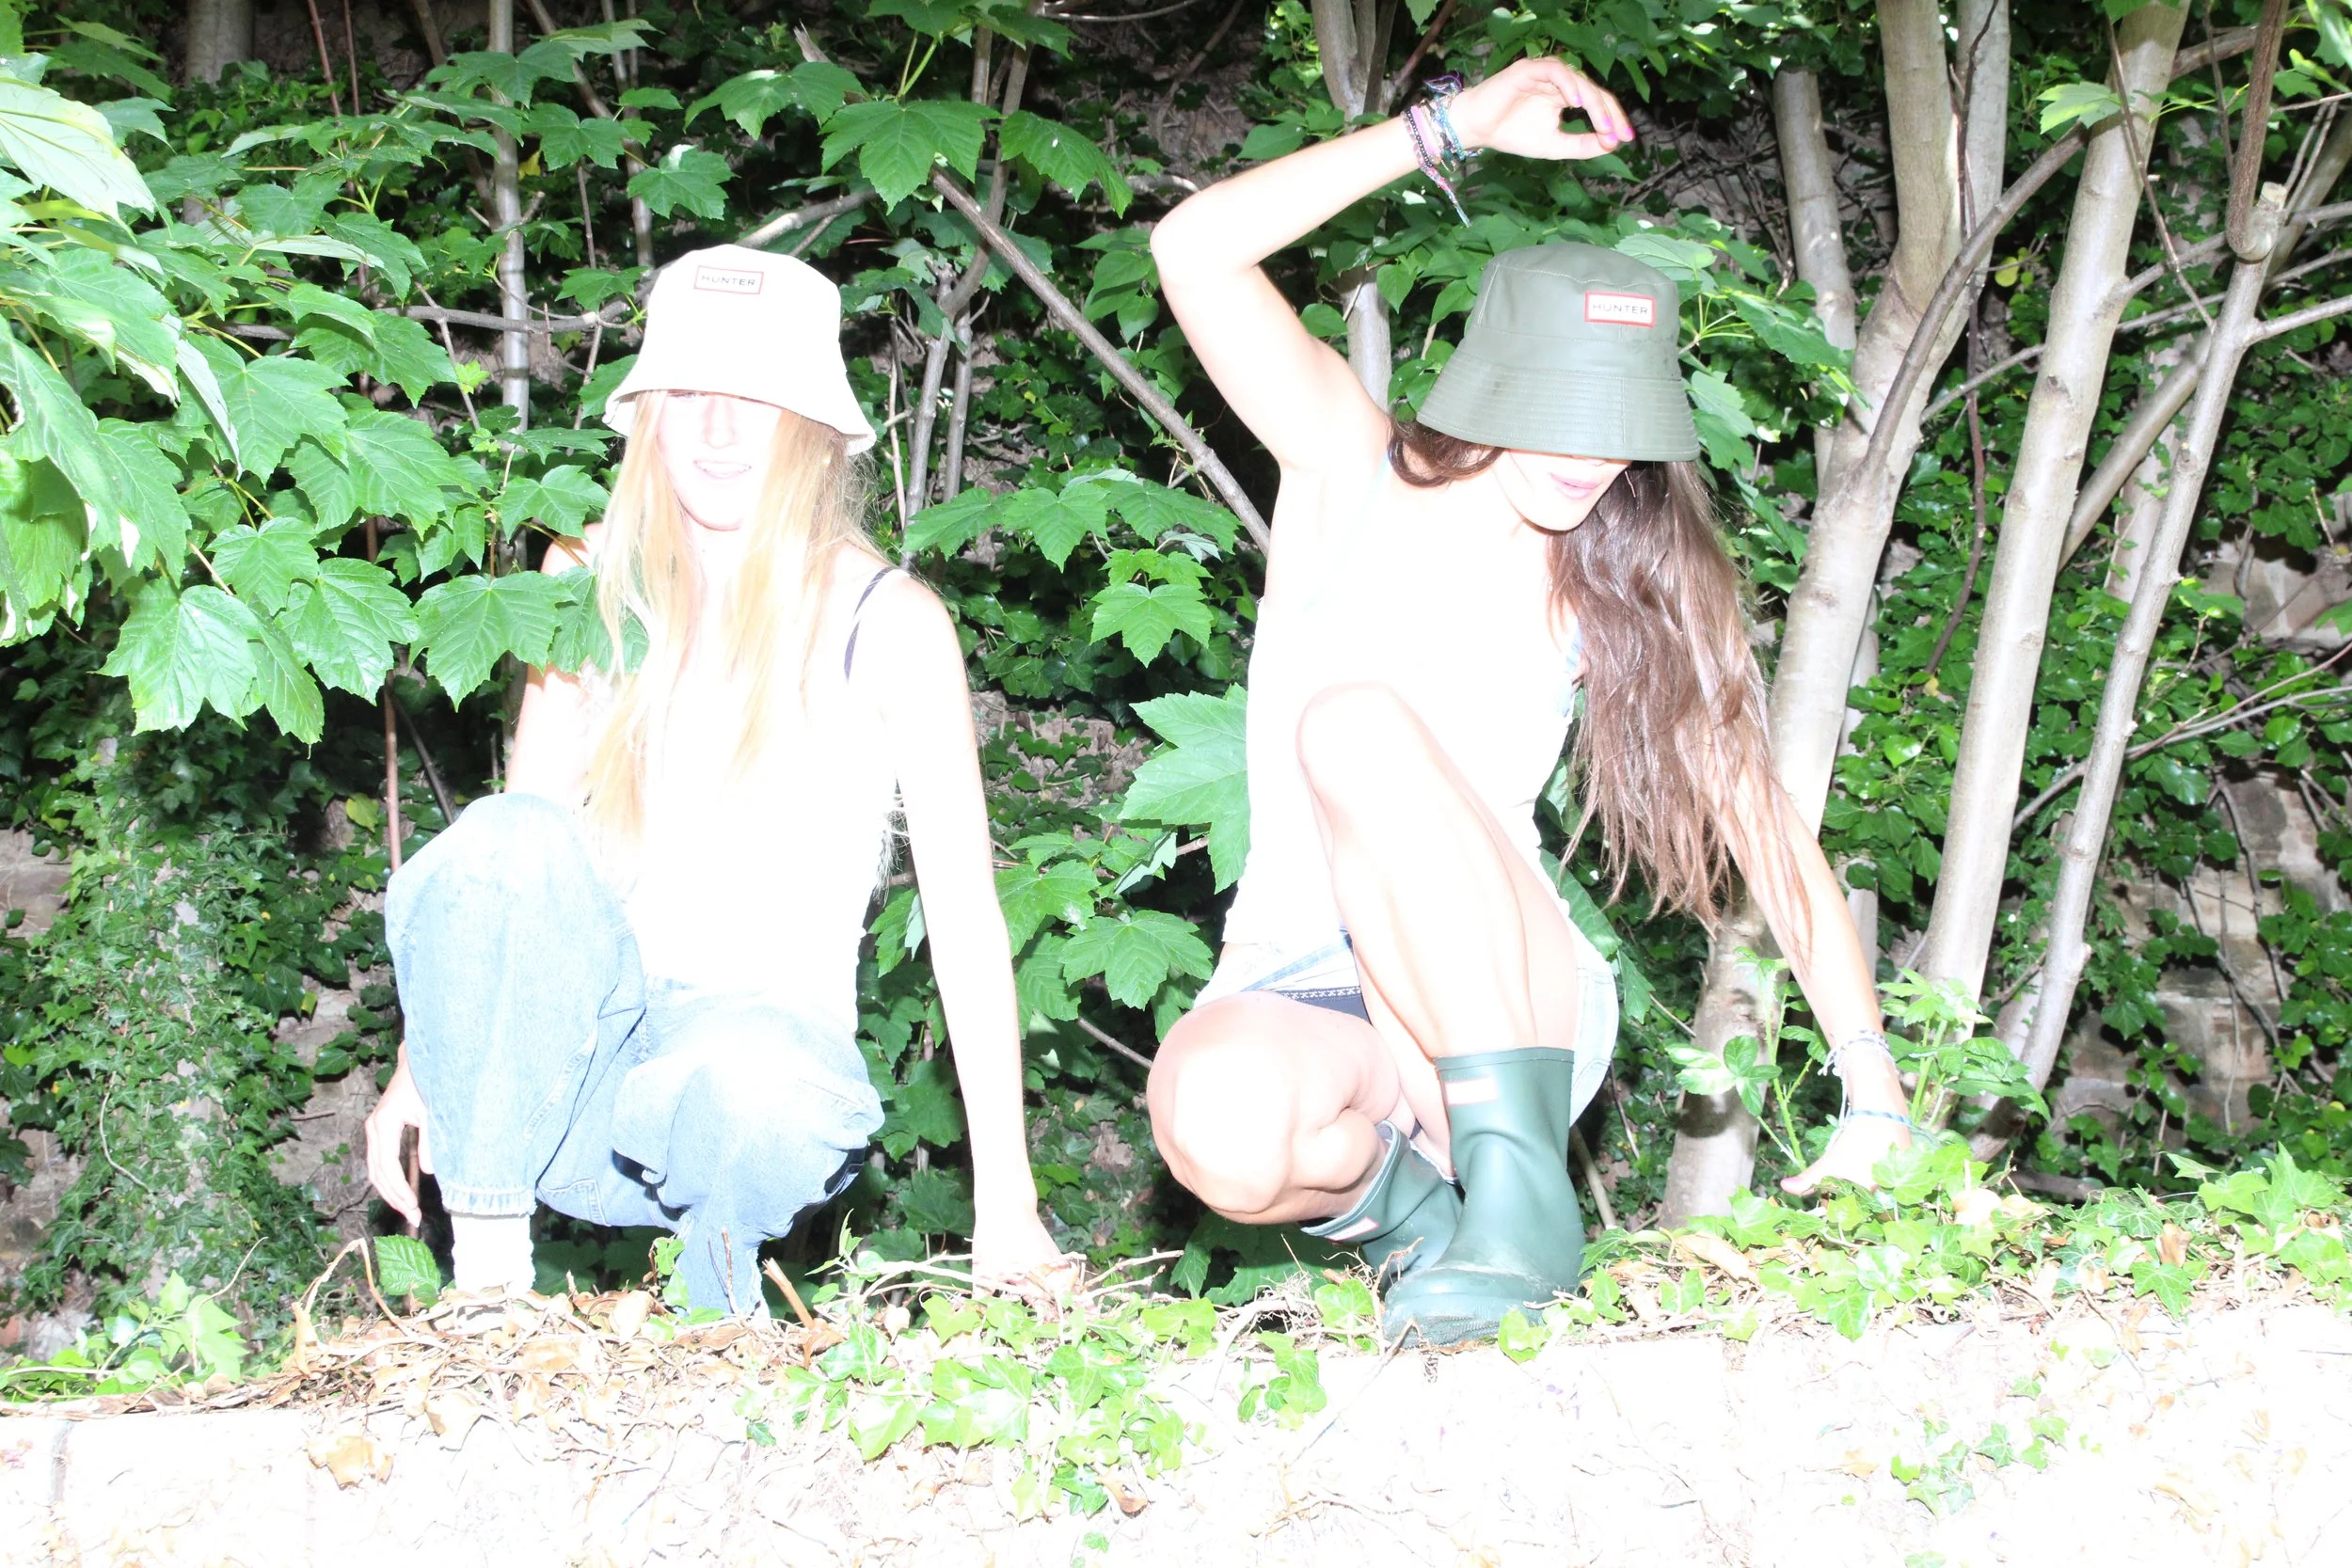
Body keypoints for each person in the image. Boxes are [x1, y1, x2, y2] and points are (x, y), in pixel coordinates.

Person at [1144, 59, 1911, 1345]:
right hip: (1302, 975)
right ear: (1486, 382)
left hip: (1501, 991)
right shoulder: (1346, 467)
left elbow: (1766, 830)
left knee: (1351, 726)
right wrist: (1445, 127)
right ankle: (1423, 1230)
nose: (1586, 457)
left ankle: (1517, 1203)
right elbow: (1194, 249)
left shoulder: (1611, 583)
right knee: (1218, 1121)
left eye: (1618, 425)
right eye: (1557, 413)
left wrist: (1873, 1087)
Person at [362, 245, 1068, 1313]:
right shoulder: (585, 575)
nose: (719, 431)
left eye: (757, 398)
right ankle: (491, 1291)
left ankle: (715, 1317)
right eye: (689, 392)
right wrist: (420, 1067)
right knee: (506, 830)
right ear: (647, 413)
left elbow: (966, 920)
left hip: (754, 1085)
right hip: (576, 1071)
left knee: (751, 1080)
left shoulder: (891, 623)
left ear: (814, 428)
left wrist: (1006, 1205)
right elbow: (513, 860)